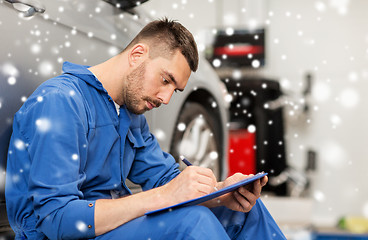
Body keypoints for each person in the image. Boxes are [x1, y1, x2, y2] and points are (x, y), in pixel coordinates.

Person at [6, 18, 286, 240]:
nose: (165, 98)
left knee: (243, 212)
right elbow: (57, 219)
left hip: (114, 228)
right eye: (165, 80)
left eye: (174, 90)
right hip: (65, 235)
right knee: (191, 224)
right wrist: (165, 196)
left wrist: (220, 193)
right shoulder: (60, 101)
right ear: (137, 54)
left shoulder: (129, 113)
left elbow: (164, 178)